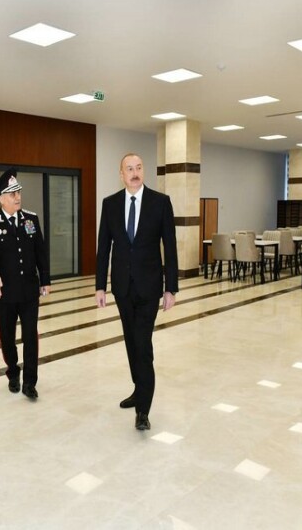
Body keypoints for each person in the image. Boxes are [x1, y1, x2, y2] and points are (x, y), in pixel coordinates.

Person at [95, 153, 178, 430]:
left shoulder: (160, 202)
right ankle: (138, 388)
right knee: (131, 342)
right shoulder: (110, 204)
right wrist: (100, 285)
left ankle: (143, 409)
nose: (135, 172)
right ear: (121, 174)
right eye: (129, 169)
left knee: (143, 345)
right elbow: (103, 248)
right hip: (122, 287)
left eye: (139, 167)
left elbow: (170, 246)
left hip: (149, 287)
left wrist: (171, 288)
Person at [0, 168, 51, 400]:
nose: (18, 197)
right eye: (12, 194)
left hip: (29, 290)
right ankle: (13, 372)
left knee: (30, 336)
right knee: (7, 337)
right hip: (5, 293)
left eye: (18, 192)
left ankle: (30, 382)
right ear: (1, 198)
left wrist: (45, 279)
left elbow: (41, 252)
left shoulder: (31, 220)